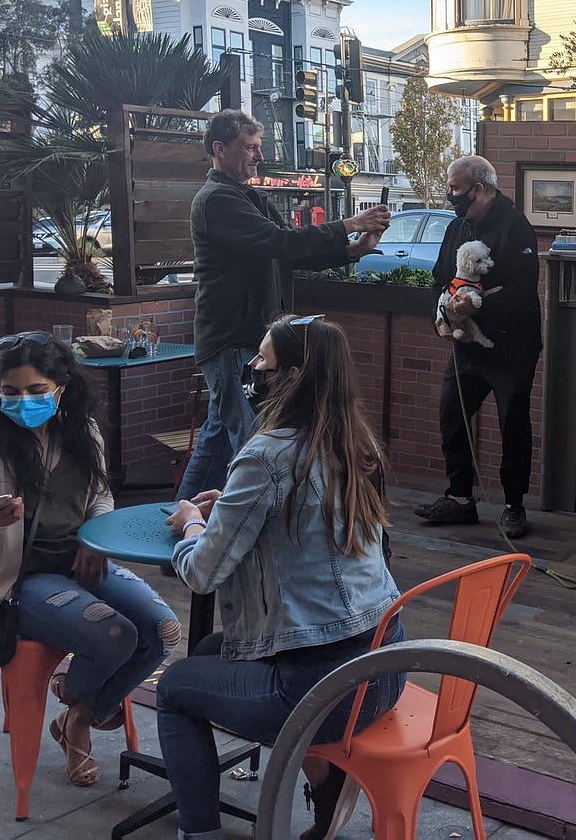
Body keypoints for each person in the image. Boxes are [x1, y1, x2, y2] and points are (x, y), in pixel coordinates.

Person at [158, 316, 405, 840]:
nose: (252, 369)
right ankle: (325, 788)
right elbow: (305, 526)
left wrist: (193, 523)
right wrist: (229, 508)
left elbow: (203, 572)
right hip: (386, 668)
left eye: (262, 361)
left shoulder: (267, 455)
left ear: (291, 376)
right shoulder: (353, 442)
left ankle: (199, 832)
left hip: (323, 691)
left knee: (176, 686)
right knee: (207, 652)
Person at [0, 332, 180, 788]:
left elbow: (101, 496)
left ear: (61, 387)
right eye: (10, 391)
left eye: (36, 390)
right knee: (116, 633)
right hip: (17, 581)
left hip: (82, 562)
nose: (23, 401)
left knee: (163, 629)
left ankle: (78, 713)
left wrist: (93, 537)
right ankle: (84, 716)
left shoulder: (81, 432)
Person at [178, 109, 390, 503]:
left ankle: (182, 526)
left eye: (259, 147)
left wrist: (351, 250)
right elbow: (279, 242)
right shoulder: (216, 200)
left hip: (252, 339)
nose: (258, 156)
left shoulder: (251, 197)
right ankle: (239, 536)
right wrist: (348, 224)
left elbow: (290, 252)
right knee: (253, 441)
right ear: (218, 149)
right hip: (232, 338)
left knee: (217, 442)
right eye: (249, 148)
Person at [415, 155, 542, 540]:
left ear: (480, 189)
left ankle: (514, 506)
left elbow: (523, 292)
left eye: (455, 189)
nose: (450, 195)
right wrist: (446, 312)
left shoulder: (516, 227)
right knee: (451, 416)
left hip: (512, 346)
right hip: (466, 345)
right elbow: (440, 279)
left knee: (513, 426)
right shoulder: (457, 227)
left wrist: (478, 304)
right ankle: (459, 499)